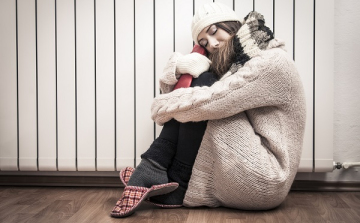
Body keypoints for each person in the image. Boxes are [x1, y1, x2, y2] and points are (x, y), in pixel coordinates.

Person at [111, 2, 306, 217]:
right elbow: (182, 91)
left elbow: (210, 101)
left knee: (205, 95)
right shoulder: (235, 66)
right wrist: (180, 67)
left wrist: (159, 107)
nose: (212, 43)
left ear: (232, 24)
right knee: (203, 85)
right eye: (203, 42)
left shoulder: (271, 61)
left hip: (265, 178)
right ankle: (163, 171)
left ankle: (160, 168)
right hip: (251, 171)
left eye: (214, 31)